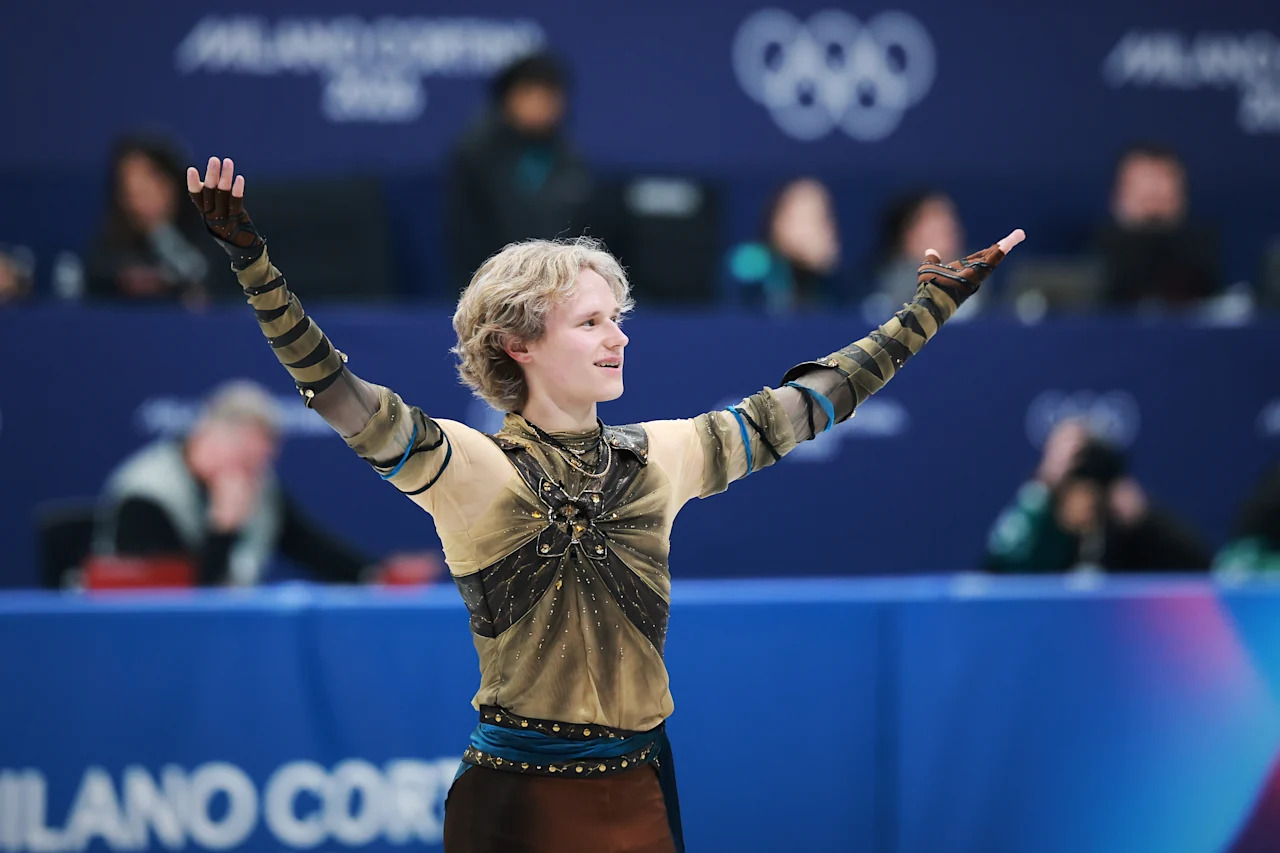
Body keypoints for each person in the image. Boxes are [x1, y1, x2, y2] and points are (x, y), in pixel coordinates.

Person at [186, 154, 1023, 853]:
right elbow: (335, 390)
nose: (618, 335)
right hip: (520, 801)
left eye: (617, 317)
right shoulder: (476, 469)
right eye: (590, 321)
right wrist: (253, 263)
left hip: (642, 790)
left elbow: (804, 408)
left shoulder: (657, 457)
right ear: (519, 341)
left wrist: (928, 309)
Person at [94, 379, 437, 586]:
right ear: (210, 438)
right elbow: (178, 601)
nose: (257, 470)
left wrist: (376, 576)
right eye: (248, 457)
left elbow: (306, 545)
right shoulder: (146, 496)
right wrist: (222, 530)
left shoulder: (257, 483)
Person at [445, 52, 594, 293]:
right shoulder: (477, 155)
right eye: (531, 94)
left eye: (549, 97)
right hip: (493, 286)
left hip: (560, 287)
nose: (541, 106)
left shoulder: (570, 159)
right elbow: (467, 235)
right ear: (507, 98)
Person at [986, 424, 1210, 573]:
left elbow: (1201, 566)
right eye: (1075, 491)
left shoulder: (1120, 531)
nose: (1085, 503)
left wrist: (1145, 517)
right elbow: (998, 564)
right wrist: (1040, 487)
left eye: (1093, 493)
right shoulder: (1042, 528)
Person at [85, 133, 234, 304]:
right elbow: (94, 275)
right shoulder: (111, 242)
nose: (137, 200)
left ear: (172, 184)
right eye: (129, 191)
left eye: (147, 187)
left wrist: (159, 230)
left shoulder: (211, 229)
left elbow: (203, 275)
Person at [1095, 142, 1220, 307]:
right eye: (1144, 199)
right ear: (1117, 198)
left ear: (1182, 199)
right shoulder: (1096, 258)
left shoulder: (1203, 254)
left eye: (1162, 199)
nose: (1153, 208)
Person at [725, 177, 843, 311]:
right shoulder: (751, 261)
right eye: (804, 218)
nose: (812, 230)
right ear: (777, 221)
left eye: (822, 218)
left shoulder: (832, 284)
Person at [868, 189, 982, 319]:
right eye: (936, 217)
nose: (950, 226)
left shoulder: (977, 278)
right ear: (908, 234)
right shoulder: (887, 286)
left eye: (951, 218)